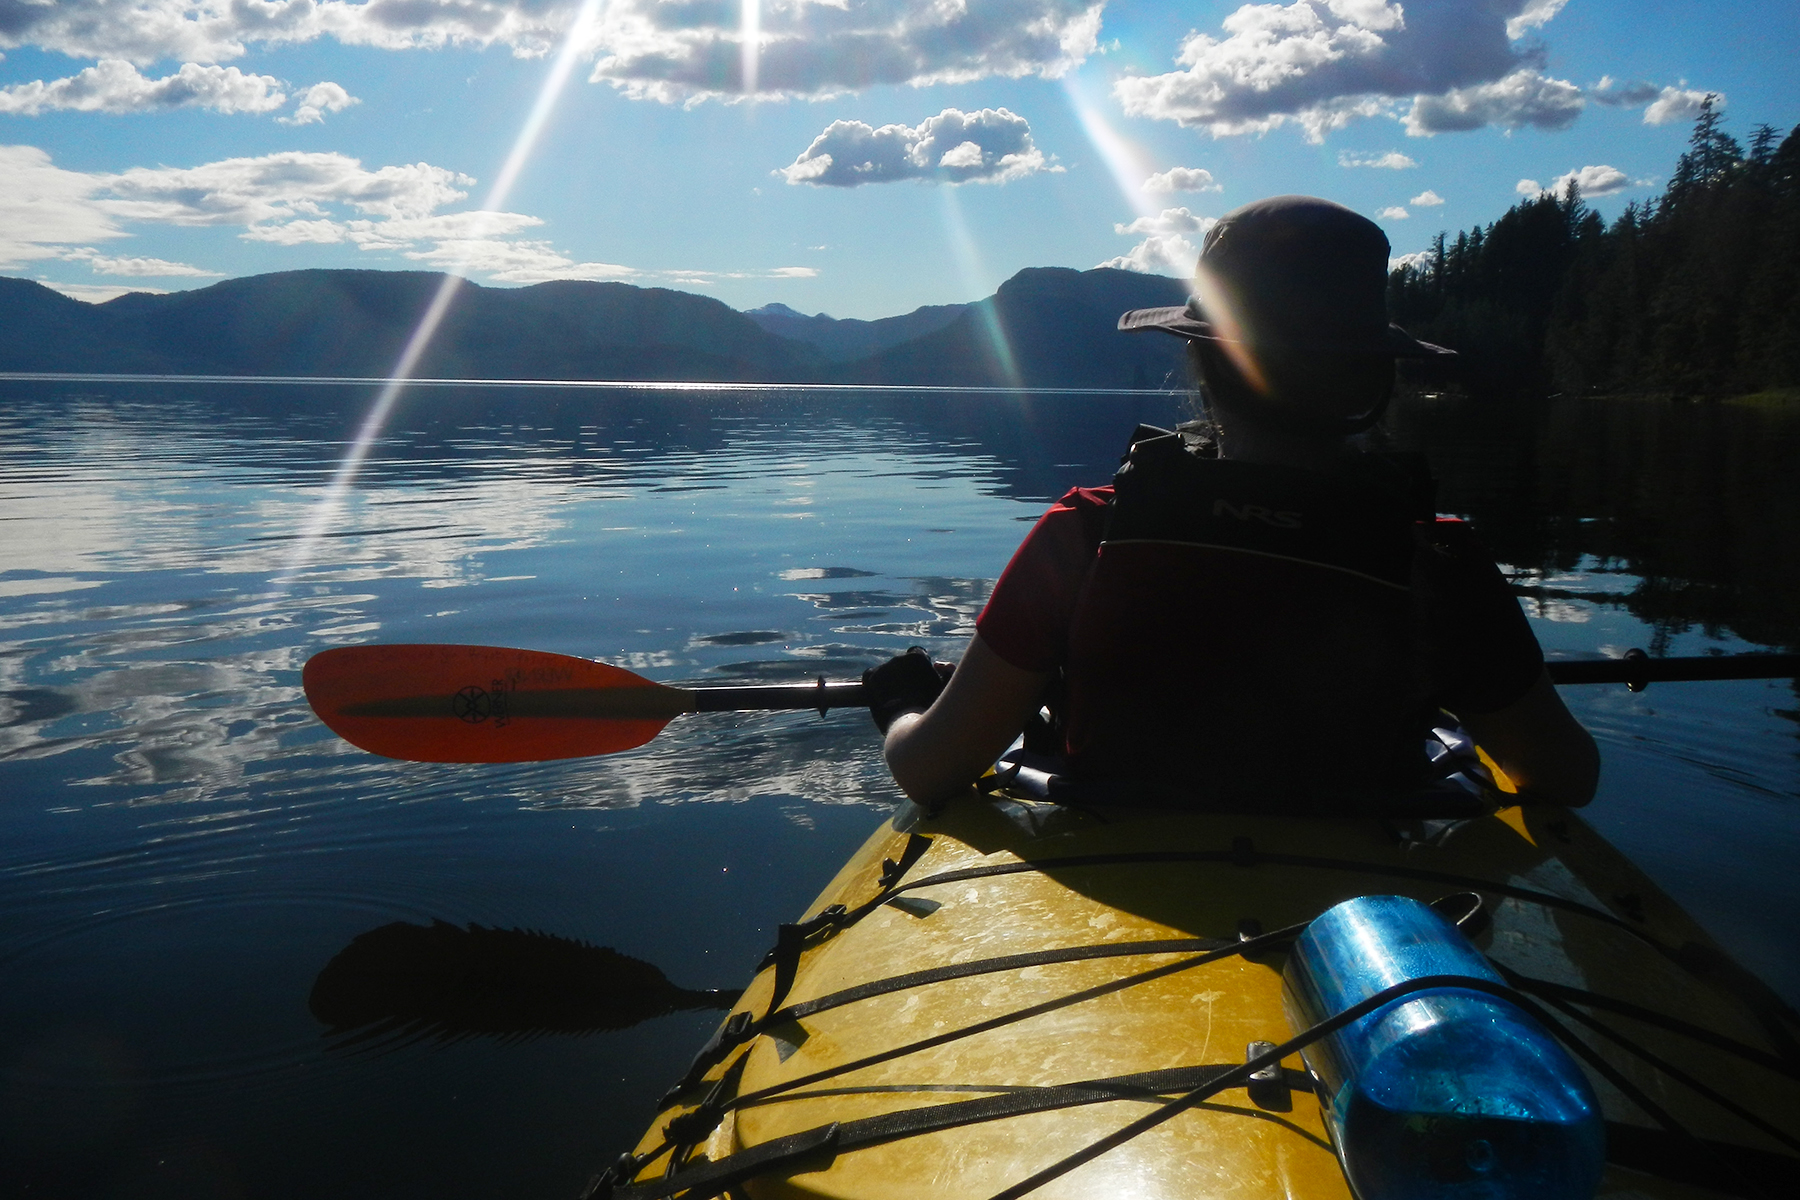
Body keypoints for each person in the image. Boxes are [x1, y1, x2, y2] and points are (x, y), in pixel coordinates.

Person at [863, 196, 1599, 811]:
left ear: (1205, 361)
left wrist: (902, 708)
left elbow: (928, 771)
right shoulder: (1436, 557)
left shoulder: (1089, 533)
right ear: (1373, 377)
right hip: (1369, 887)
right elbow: (1566, 778)